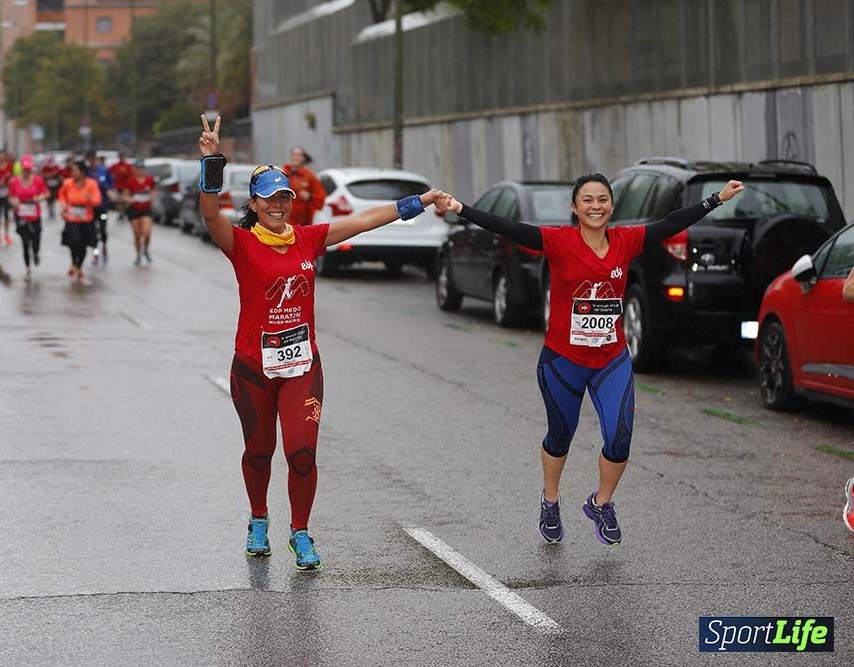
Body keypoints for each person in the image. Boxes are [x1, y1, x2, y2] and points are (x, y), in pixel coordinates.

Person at [439, 174, 744, 546]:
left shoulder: (625, 240)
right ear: (574, 208)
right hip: (562, 361)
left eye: (602, 200)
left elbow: (670, 223)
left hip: (611, 359)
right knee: (560, 436)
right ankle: (550, 500)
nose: (595, 206)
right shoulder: (557, 241)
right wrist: (460, 208)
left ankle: (602, 503)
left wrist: (717, 198)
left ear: (611, 207)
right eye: (587, 200)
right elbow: (510, 227)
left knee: (619, 438)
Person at [198, 115, 446, 570]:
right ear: (253, 204)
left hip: (301, 367)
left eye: (285, 198)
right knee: (259, 451)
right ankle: (258, 520)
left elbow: (365, 219)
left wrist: (420, 202)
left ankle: (300, 532)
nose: (278, 205)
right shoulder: (240, 243)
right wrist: (212, 162)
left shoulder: (308, 239)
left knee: (301, 451)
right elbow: (210, 213)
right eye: (269, 198)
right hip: (253, 367)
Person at [57, 161, 102, 281]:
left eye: (75, 171)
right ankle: (74, 263)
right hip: (72, 217)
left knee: (84, 244)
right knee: (74, 241)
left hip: (86, 218)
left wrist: (89, 198)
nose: (73, 173)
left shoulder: (91, 184)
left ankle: (79, 266)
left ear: (82, 172)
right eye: (72, 171)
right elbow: (61, 195)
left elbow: (97, 200)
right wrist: (64, 206)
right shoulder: (68, 183)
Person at [8, 155, 49, 279]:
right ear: (21, 169)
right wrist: (14, 202)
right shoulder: (14, 181)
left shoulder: (38, 180)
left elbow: (46, 193)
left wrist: (39, 198)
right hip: (21, 216)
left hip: (34, 216)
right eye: (25, 170)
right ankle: (28, 268)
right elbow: (10, 197)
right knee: (25, 243)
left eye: (29, 170)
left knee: (35, 241)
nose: (26, 172)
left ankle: (36, 253)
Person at [122, 159, 156, 265]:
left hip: (146, 209)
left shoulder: (150, 180)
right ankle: (138, 255)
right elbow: (125, 195)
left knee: (146, 233)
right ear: (134, 169)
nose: (140, 171)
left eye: (142, 168)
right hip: (134, 210)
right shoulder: (130, 181)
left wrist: (152, 195)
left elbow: (154, 191)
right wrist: (130, 199)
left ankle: (145, 249)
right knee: (137, 234)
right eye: (138, 168)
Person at [282, 146, 326, 227]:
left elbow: (321, 198)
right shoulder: (283, 174)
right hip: (284, 221)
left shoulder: (309, 176)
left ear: (303, 158)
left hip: (303, 224)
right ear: (291, 157)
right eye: (294, 155)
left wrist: (310, 197)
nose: (296, 157)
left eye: (299, 155)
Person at [86, 151, 116, 265]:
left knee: (103, 230)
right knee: (93, 233)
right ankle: (95, 254)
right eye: (90, 159)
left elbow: (111, 183)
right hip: (90, 209)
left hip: (102, 207)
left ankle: (104, 249)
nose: (92, 161)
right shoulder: (86, 172)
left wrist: (109, 190)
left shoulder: (103, 170)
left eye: (94, 158)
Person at [108, 153, 135, 221]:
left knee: (125, 200)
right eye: (121, 157)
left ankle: (125, 212)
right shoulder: (115, 166)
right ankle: (121, 213)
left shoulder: (128, 166)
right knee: (118, 201)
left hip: (126, 186)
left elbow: (132, 175)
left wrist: (125, 173)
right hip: (118, 186)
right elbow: (109, 172)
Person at [41, 157, 63, 221]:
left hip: (54, 187)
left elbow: (59, 175)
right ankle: (50, 213)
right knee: (49, 201)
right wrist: (49, 175)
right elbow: (43, 175)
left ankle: (53, 212)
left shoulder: (56, 167)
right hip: (48, 187)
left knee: (53, 200)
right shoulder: (45, 168)